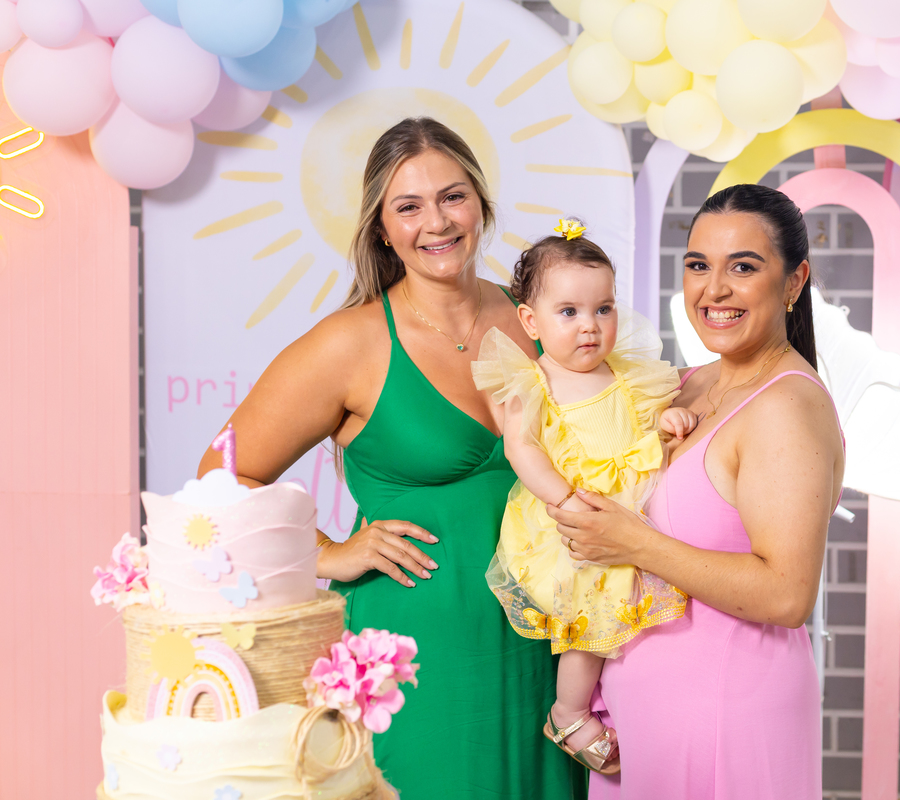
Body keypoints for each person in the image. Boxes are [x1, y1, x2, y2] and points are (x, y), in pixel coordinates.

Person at [196, 117, 583, 799]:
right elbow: (220, 479)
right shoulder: (349, 344)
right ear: (381, 227)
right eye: (409, 206)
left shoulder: (537, 318)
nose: (436, 222)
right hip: (411, 660)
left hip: (544, 650)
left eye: (453, 197)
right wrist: (326, 553)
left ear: (481, 204)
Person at [548, 184, 845, 799]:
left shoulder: (787, 406)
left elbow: (787, 594)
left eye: (744, 267)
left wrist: (634, 543)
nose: (714, 290)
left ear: (794, 282)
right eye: (698, 266)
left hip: (725, 712)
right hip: (642, 718)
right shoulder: (684, 384)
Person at [471, 221, 696, 776]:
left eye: (603, 309)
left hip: (632, 513)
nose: (589, 326)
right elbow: (522, 450)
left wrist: (669, 419)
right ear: (532, 321)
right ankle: (568, 712)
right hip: (573, 520)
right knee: (590, 620)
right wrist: (565, 500)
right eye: (568, 312)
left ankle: (636, 702)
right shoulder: (534, 381)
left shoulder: (627, 373)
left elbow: (646, 424)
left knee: (642, 619)